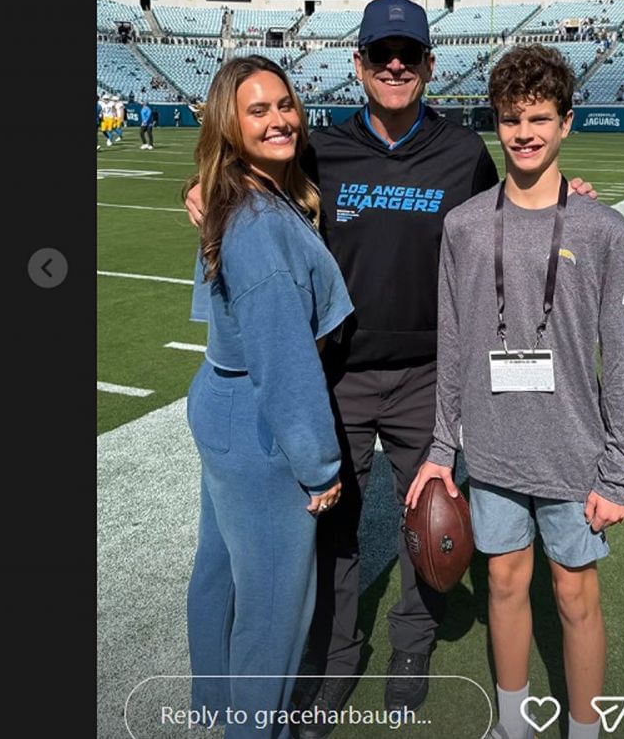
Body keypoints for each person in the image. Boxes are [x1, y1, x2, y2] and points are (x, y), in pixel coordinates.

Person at [186, 0, 595, 737]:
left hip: (431, 375)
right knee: (334, 531)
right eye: (382, 55)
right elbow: (256, 188)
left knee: (431, 531)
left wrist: (566, 201)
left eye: (409, 54)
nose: (396, 66)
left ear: (430, 65)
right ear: (360, 66)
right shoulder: (319, 148)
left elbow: (504, 222)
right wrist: (205, 191)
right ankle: (336, 659)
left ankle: (411, 653)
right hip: (338, 372)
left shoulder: (463, 152)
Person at [406, 43, 624, 739]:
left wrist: (619, 472)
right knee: (505, 585)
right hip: (494, 446)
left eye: (539, 117)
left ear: (567, 122)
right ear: (496, 125)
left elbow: (621, 360)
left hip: (574, 452)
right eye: (510, 119)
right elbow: (452, 344)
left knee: (574, 596)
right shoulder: (465, 227)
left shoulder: (603, 229)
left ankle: (586, 729)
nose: (525, 132)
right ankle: (512, 724)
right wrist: (443, 448)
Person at [182, 55, 349, 739]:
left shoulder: (239, 194)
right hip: (259, 420)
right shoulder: (255, 219)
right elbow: (283, 360)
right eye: (258, 110)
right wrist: (319, 464)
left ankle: (216, 713)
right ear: (230, 123)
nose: (279, 118)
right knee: (274, 611)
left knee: (219, 573)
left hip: (223, 404)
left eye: (284, 103)